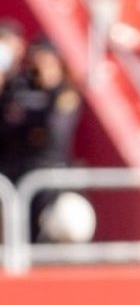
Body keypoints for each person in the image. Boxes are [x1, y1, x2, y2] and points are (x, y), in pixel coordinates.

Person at [0, 42, 82, 242]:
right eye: (38, 65)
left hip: (49, 174)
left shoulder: (65, 93)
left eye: (47, 63)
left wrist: (26, 121)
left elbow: (54, 132)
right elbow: (7, 125)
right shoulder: (19, 91)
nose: (42, 70)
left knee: (53, 228)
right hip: (16, 171)